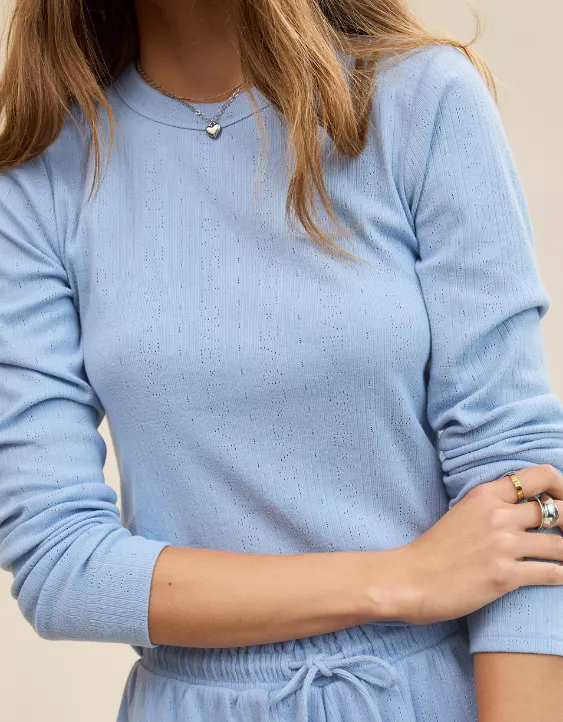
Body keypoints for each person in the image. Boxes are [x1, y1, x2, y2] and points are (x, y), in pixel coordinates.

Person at [1, 0, 563, 720]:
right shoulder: (39, 175)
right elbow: (60, 563)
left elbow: (518, 483)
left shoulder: (418, 99)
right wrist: (395, 580)